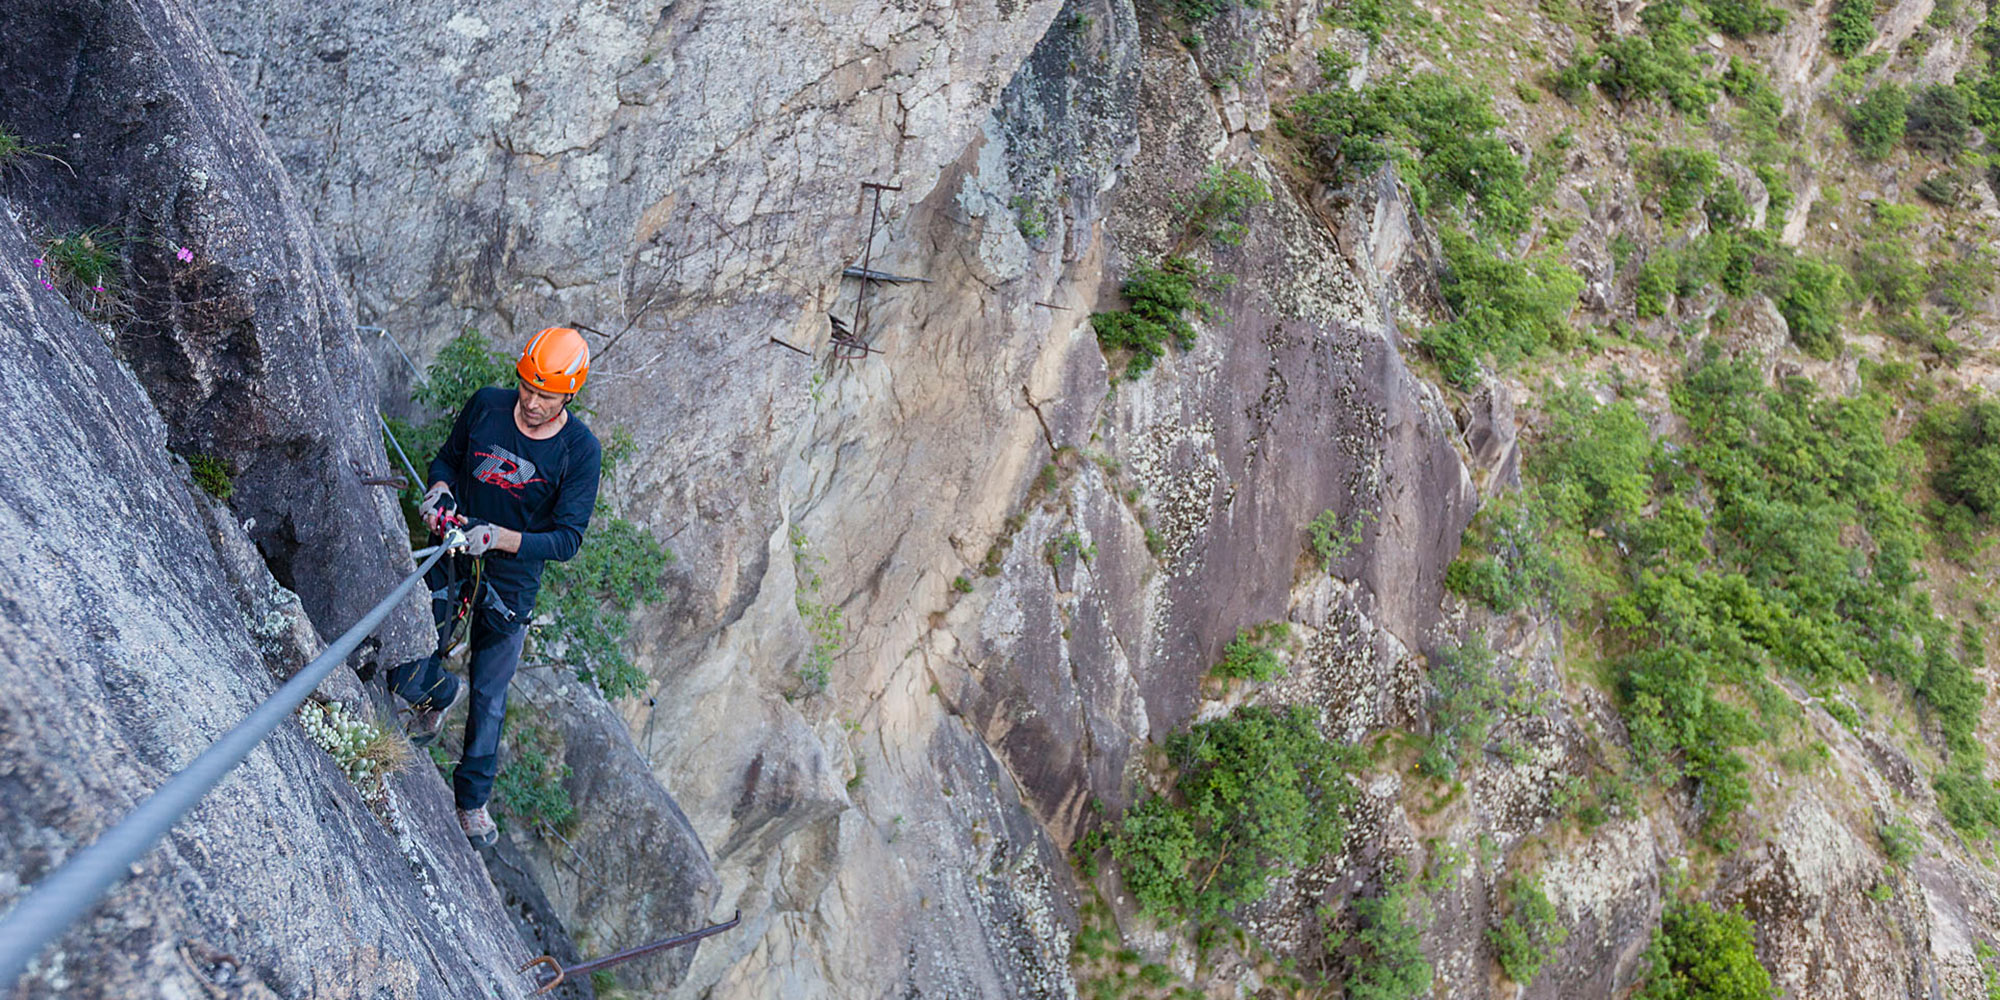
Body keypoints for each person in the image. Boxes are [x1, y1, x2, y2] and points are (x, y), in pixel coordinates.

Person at [386, 327, 602, 846]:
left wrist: (501, 538)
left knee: (490, 692)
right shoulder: (487, 406)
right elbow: (448, 461)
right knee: (409, 665)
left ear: (569, 393)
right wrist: (438, 489)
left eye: (545, 395)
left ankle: (471, 801)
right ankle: (439, 692)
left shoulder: (579, 452)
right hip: (454, 554)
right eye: (526, 387)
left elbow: (567, 539)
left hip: (511, 582)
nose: (530, 402)